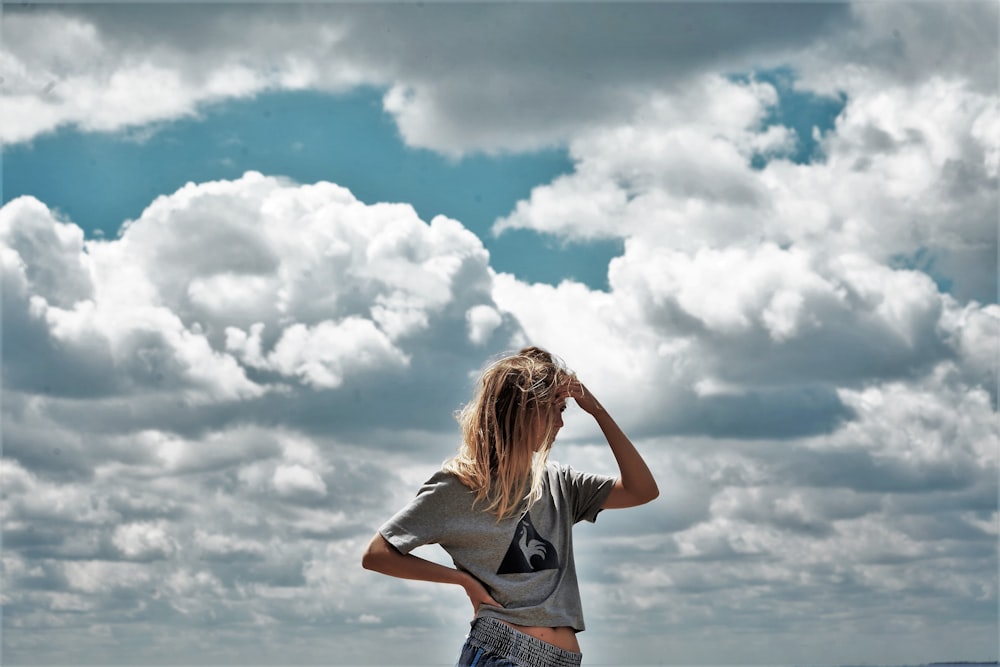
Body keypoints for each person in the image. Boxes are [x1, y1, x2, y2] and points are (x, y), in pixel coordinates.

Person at [361, 346, 659, 667]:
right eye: (553, 410)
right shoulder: (460, 484)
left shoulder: (560, 482)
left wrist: (598, 411)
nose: (560, 424)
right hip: (502, 653)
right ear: (523, 411)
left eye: (563, 410)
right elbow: (377, 554)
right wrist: (464, 581)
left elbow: (641, 490)